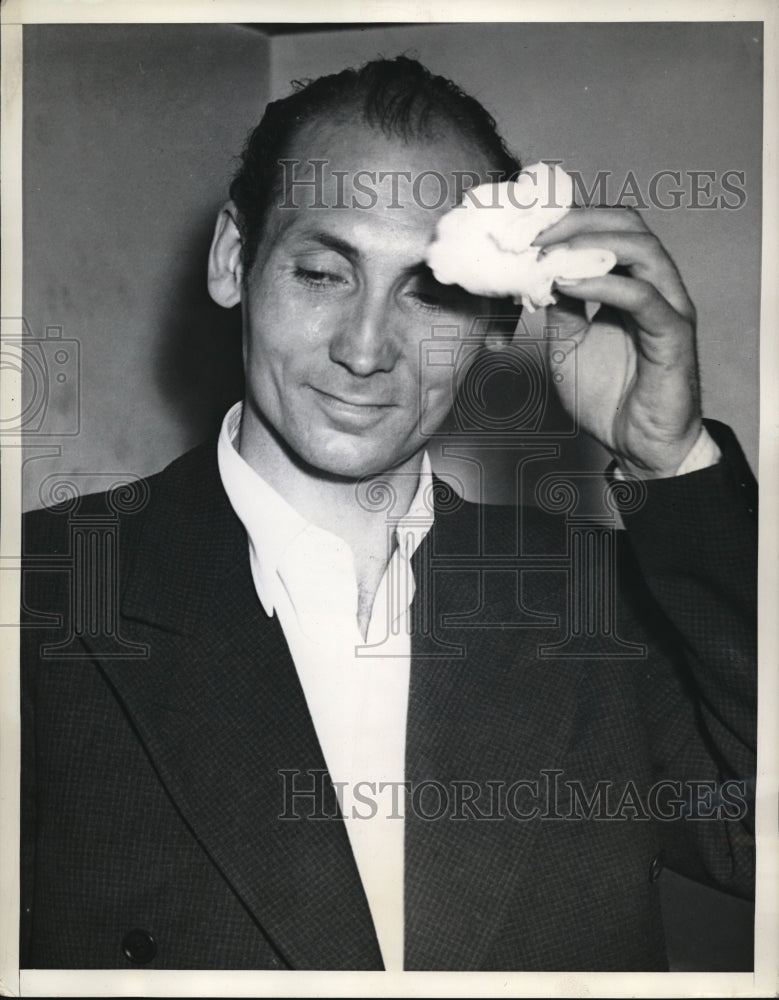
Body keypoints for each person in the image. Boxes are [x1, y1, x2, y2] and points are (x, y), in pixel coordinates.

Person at [19, 56, 756, 972]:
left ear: (496, 322)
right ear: (232, 260)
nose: (365, 350)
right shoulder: (42, 599)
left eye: (430, 290)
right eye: (324, 273)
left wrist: (667, 458)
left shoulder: (593, 603)